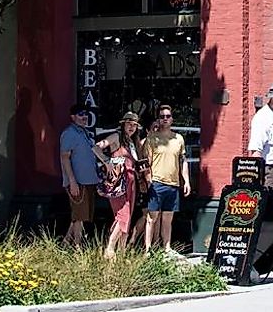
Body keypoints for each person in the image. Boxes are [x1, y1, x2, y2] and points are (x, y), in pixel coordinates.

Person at [141, 104, 190, 252]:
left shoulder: (178, 139)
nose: (165, 119)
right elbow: (146, 162)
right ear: (158, 119)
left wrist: (186, 181)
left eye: (167, 116)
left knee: (168, 219)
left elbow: (183, 161)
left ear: (172, 119)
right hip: (156, 182)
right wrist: (149, 181)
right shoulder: (152, 139)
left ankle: (166, 247)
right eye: (162, 116)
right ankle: (148, 249)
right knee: (152, 218)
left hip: (173, 183)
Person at [60, 102, 102, 246]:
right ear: (73, 117)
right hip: (78, 182)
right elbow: (64, 157)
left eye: (86, 114)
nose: (84, 117)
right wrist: (72, 181)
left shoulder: (85, 133)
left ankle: (65, 243)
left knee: (82, 215)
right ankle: (77, 247)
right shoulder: (69, 133)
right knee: (78, 215)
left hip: (89, 181)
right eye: (81, 114)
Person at [102, 113, 142, 253]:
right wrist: (107, 163)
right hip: (118, 181)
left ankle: (121, 251)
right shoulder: (116, 137)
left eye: (134, 125)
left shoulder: (133, 142)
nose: (131, 127)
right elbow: (96, 147)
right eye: (129, 124)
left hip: (131, 181)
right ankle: (110, 248)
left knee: (128, 216)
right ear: (123, 124)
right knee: (122, 215)